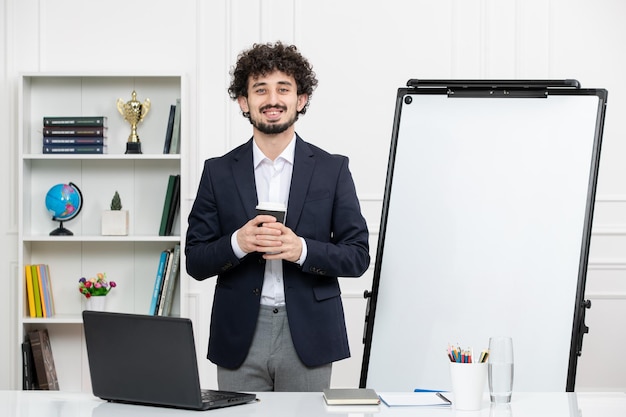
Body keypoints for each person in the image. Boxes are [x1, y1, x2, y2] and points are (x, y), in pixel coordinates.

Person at [185, 41, 370, 392]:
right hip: (239, 334)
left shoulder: (332, 169)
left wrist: (301, 249)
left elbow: (358, 256)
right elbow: (195, 260)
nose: (273, 99)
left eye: (283, 88)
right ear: (244, 101)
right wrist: (237, 243)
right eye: (260, 90)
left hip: (310, 333)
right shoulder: (218, 172)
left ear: (300, 99)